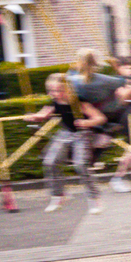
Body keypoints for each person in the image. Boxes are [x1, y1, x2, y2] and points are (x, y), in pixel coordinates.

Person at [31, 71, 104, 211]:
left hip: (82, 133)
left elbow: (100, 118)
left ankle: (94, 198)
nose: (54, 94)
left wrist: (87, 123)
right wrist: (36, 116)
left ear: (67, 89)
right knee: (50, 162)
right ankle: (58, 196)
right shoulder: (55, 101)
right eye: (51, 90)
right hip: (66, 133)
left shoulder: (79, 101)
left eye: (58, 90)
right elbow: (45, 112)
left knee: (80, 165)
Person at [104, 57, 131, 192]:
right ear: (119, 68)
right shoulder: (117, 82)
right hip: (129, 115)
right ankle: (121, 179)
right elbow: (122, 100)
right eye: (127, 67)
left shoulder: (129, 82)